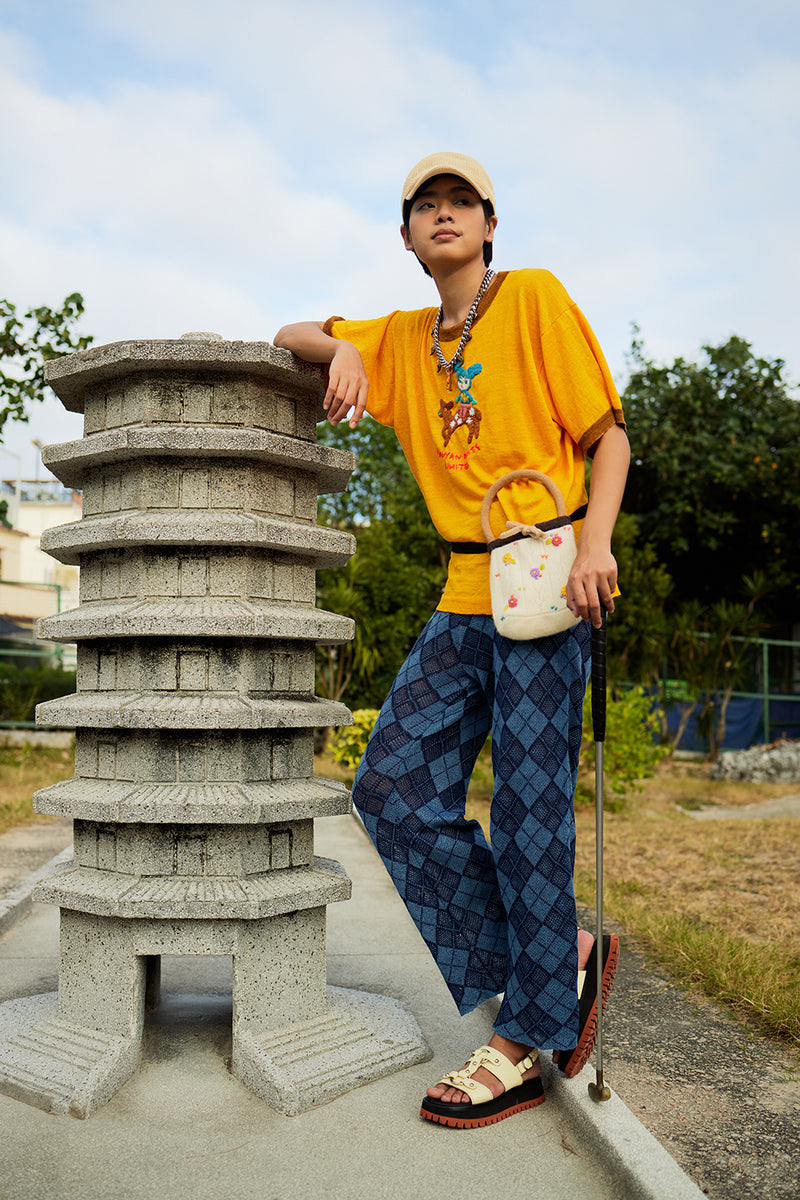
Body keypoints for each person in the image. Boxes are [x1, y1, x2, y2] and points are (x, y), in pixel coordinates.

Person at [274, 152, 630, 1129]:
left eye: (458, 203)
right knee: (389, 788)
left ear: (487, 225)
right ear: (404, 237)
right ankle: (551, 961)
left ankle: (522, 1037)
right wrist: (336, 351)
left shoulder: (532, 300)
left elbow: (608, 437)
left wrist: (595, 543)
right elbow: (287, 334)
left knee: (525, 811)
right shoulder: (393, 340)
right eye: (422, 206)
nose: (442, 215)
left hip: (547, 580)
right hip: (461, 588)